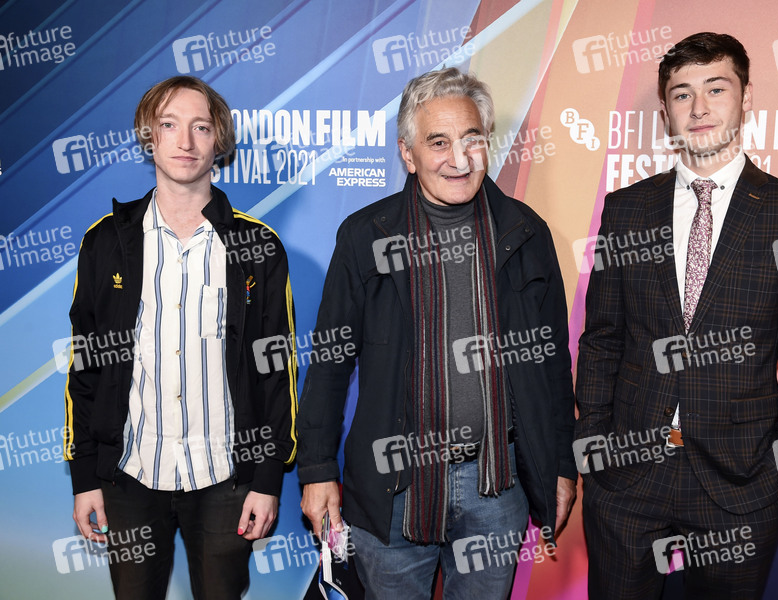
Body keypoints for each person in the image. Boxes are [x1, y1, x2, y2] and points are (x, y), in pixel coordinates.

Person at [575, 32, 778, 599]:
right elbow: (602, 340)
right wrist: (594, 447)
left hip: (740, 484)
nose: (698, 108)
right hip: (626, 478)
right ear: (665, 110)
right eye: (682, 94)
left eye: (716, 89)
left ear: (746, 97)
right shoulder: (626, 210)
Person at [297, 67, 577, 598]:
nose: (460, 158)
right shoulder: (366, 237)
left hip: (498, 486)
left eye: (472, 138)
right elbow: (330, 364)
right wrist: (316, 470)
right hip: (392, 488)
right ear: (408, 155)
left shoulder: (525, 234)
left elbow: (552, 367)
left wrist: (562, 465)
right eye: (438, 142)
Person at [63, 75, 297, 599]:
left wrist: (266, 479)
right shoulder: (105, 242)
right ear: (149, 136)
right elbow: (85, 368)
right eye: (169, 125)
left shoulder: (258, 246)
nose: (185, 142)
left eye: (201, 127)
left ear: (220, 141)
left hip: (225, 478)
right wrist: (85, 477)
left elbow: (277, 373)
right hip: (130, 475)